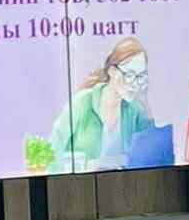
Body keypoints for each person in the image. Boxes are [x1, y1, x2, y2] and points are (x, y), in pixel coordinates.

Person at [50, 37, 153, 170]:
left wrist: (144, 100)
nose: (135, 83)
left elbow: (151, 154)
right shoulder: (81, 103)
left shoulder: (136, 111)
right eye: (129, 75)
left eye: (140, 76)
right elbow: (52, 152)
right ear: (112, 71)